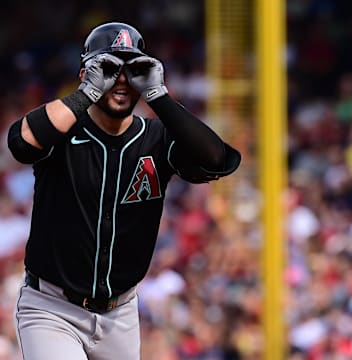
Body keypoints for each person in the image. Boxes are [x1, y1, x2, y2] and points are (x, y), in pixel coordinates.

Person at [7, 22, 241, 360]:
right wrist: (85, 92)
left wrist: (158, 96)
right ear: (87, 72)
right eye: (108, 67)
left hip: (121, 314)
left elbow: (217, 159)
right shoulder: (64, 129)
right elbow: (20, 142)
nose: (120, 79)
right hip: (52, 308)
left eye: (130, 68)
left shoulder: (156, 137)